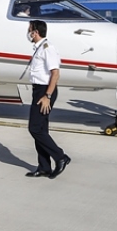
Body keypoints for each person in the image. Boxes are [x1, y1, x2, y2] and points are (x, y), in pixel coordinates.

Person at [25, 19, 70, 179]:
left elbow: (55, 73)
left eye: (30, 29)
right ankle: (44, 166)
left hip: (45, 91)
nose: (28, 33)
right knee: (41, 130)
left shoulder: (47, 48)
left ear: (35, 31)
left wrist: (47, 96)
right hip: (39, 90)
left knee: (35, 128)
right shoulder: (39, 48)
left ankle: (60, 157)